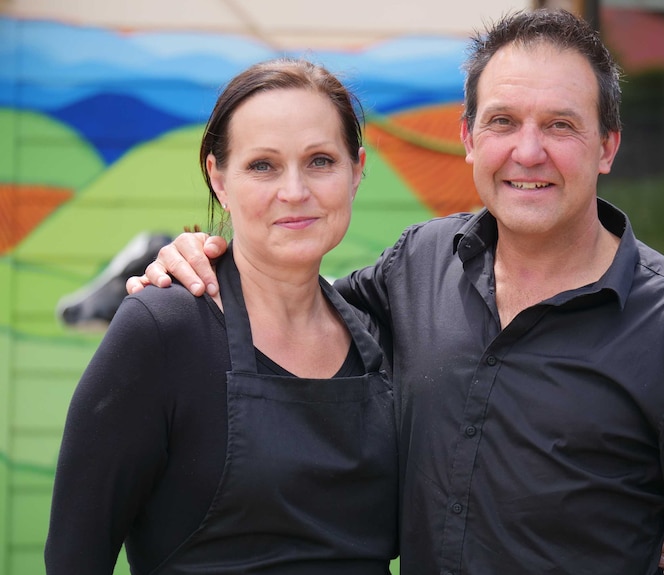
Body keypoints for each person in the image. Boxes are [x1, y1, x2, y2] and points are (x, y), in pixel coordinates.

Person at [130, 9, 664, 574]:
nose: (528, 152)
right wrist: (207, 256)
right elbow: (300, 307)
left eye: (560, 124)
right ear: (469, 139)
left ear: (607, 146)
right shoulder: (420, 263)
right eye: (503, 121)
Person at [46, 59, 399, 574]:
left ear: (356, 170)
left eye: (321, 160)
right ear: (219, 179)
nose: (295, 191)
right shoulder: (161, 329)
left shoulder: (382, 334)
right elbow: (74, 559)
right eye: (263, 165)